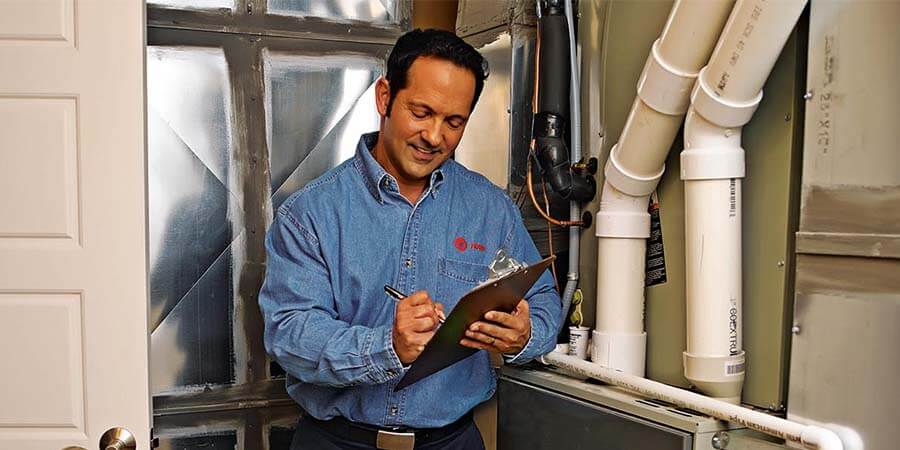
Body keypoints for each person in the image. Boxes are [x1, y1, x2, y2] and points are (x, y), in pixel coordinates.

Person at [259, 28, 561, 450]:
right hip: (336, 441)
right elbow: (289, 335)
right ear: (385, 98)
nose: (435, 137)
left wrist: (524, 336)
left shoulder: (492, 211)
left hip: (453, 442)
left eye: (453, 122)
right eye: (421, 112)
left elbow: (545, 303)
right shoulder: (310, 214)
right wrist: (386, 346)